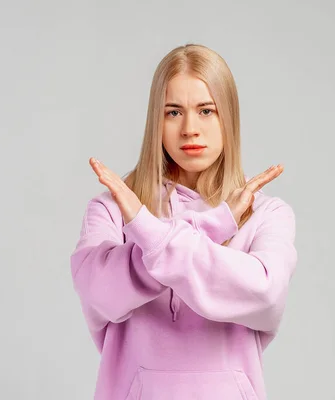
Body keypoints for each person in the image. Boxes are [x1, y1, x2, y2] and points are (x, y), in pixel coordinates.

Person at [70, 43, 298, 400]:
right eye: (173, 112)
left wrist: (150, 233)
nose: (190, 128)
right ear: (155, 122)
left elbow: (264, 295)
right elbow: (100, 295)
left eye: (206, 111)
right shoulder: (114, 210)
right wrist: (213, 226)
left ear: (229, 117)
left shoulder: (266, 214)